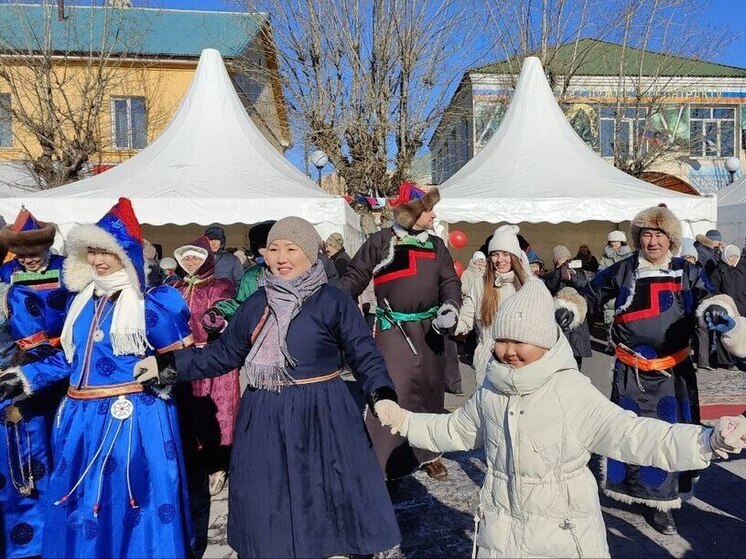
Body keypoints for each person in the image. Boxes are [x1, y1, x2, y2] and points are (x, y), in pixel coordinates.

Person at [375, 280, 746, 558]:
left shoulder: (569, 390)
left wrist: (706, 441)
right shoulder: (491, 389)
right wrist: (404, 420)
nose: (507, 352)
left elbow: (632, 434)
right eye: (501, 341)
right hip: (501, 535)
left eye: (519, 342)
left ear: (546, 342)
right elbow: (456, 430)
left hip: (564, 537)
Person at [134, 217, 401, 559]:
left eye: (291, 249)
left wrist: (381, 394)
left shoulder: (332, 301)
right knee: (268, 493)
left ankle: (329, 549)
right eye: (274, 249)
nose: (281, 257)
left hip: (321, 412)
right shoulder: (257, 302)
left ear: (312, 254)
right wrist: (168, 365)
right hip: (264, 414)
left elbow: (365, 354)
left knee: (321, 490)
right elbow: (223, 355)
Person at [0, 198, 194, 558]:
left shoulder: (150, 303)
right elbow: (70, 361)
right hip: (82, 419)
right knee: (85, 498)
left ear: (127, 254)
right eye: (91, 252)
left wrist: (166, 370)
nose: (98, 260)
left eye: (107, 252)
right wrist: (24, 377)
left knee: (131, 498)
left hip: (134, 418)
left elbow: (183, 358)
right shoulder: (83, 302)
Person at [569, 204, 746, 534]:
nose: (652, 242)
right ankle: (635, 493)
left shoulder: (685, 271)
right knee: (629, 433)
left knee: (668, 435)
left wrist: (718, 312)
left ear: (671, 239)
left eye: (659, 234)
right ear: (638, 238)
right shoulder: (623, 270)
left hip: (672, 375)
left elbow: (709, 298)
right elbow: (589, 295)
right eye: (646, 234)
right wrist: (570, 308)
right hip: (629, 375)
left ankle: (662, 502)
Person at [338, 183, 461, 482]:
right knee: (394, 391)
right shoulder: (381, 241)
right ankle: (383, 463)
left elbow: (449, 281)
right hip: (393, 329)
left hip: (431, 330)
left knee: (430, 392)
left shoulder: (437, 246)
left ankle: (429, 453)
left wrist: (451, 306)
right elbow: (355, 276)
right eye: (428, 209)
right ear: (411, 214)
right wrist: (330, 303)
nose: (433, 215)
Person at [0, 284, 64, 559]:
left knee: (28, 491)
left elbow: (43, 354)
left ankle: (35, 547)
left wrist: (17, 377)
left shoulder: (13, 298)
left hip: (23, 425)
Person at [173, 236, 239, 497]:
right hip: (183, 360)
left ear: (207, 260)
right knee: (188, 414)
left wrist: (216, 319)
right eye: (186, 258)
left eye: (196, 258)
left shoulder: (219, 286)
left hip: (212, 360)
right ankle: (194, 464)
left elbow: (224, 308)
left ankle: (218, 466)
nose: (190, 262)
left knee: (217, 415)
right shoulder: (175, 287)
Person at [455, 225, 529, 387]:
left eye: (505, 254)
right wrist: (449, 321)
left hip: (520, 362)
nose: (499, 259)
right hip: (487, 363)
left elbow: (545, 317)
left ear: (515, 256)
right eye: (495, 254)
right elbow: (465, 319)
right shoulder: (480, 285)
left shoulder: (527, 285)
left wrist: (570, 308)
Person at [0, 208, 69, 339]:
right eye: (21, 256)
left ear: (45, 248)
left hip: (60, 343)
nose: (27, 261)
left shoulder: (64, 266)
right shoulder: (6, 271)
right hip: (22, 345)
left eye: (33, 255)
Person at [214, 220, 275, 320]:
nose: (268, 251)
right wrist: (219, 310)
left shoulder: (297, 272)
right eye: (263, 246)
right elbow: (241, 305)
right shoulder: (252, 275)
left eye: (273, 247)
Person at [545, 245, 592, 370]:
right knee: (561, 352)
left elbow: (586, 285)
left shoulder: (579, 272)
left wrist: (572, 277)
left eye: (567, 258)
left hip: (578, 318)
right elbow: (551, 286)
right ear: (556, 261)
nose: (565, 261)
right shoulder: (553, 274)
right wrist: (559, 271)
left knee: (576, 351)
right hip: (559, 318)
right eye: (561, 259)